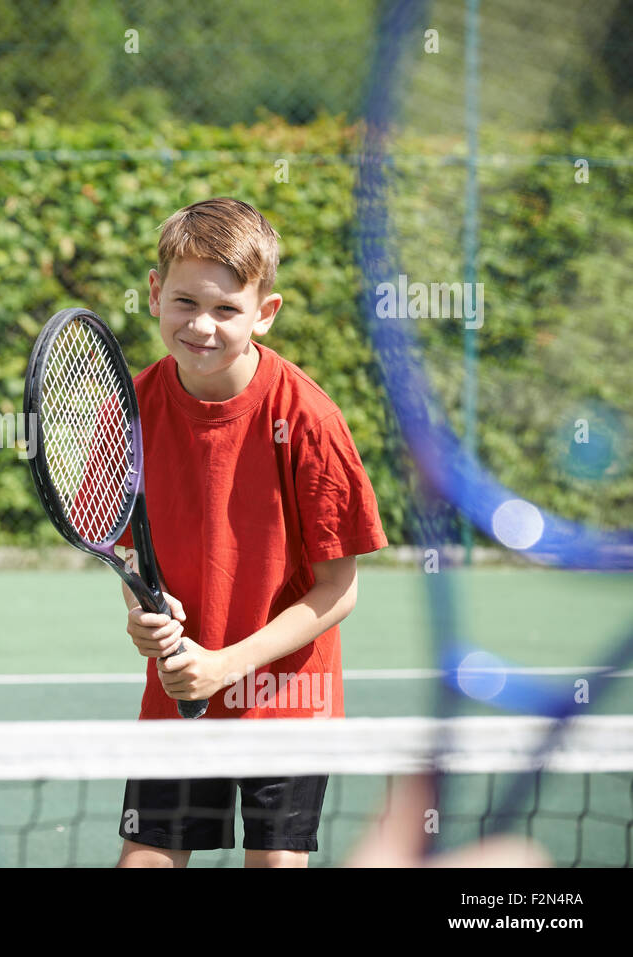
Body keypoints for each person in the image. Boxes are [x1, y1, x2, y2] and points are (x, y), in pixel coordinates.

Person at [115, 197, 389, 868]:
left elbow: (337, 591)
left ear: (265, 312)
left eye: (227, 309)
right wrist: (142, 610)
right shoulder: (131, 409)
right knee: (145, 858)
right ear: (154, 295)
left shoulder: (309, 419)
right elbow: (125, 543)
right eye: (184, 302)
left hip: (289, 701)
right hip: (180, 692)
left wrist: (224, 665)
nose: (201, 325)